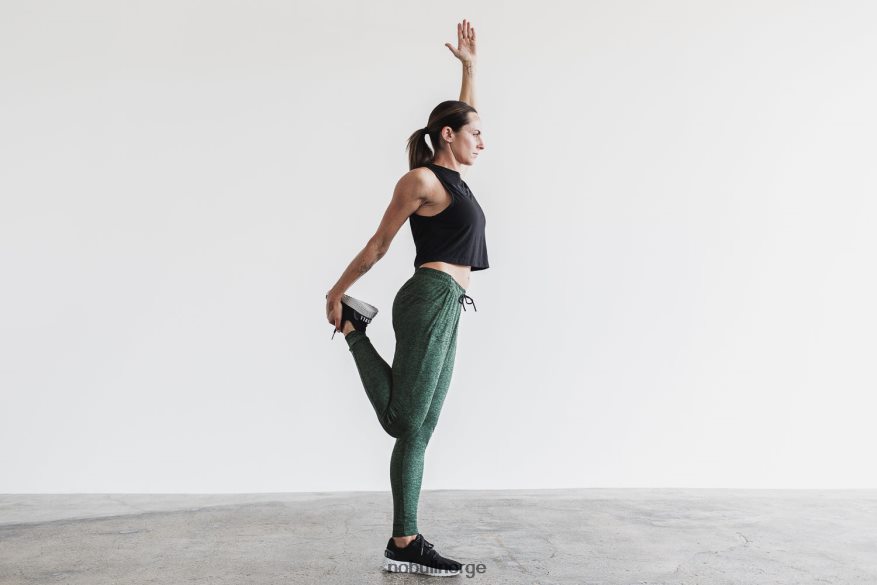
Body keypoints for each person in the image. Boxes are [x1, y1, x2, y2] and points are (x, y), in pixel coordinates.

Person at [324, 19, 488, 577]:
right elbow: (379, 244)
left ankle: (404, 540)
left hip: (449, 305)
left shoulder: (456, 179)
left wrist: (468, 69)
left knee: (420, 428)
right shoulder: (421, 181)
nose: (481, 141)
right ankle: (353, 328)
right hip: (428, 298)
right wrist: (337, 292)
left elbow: (462, 114)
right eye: (474, 134)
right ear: (447, 136)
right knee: (404, 421)